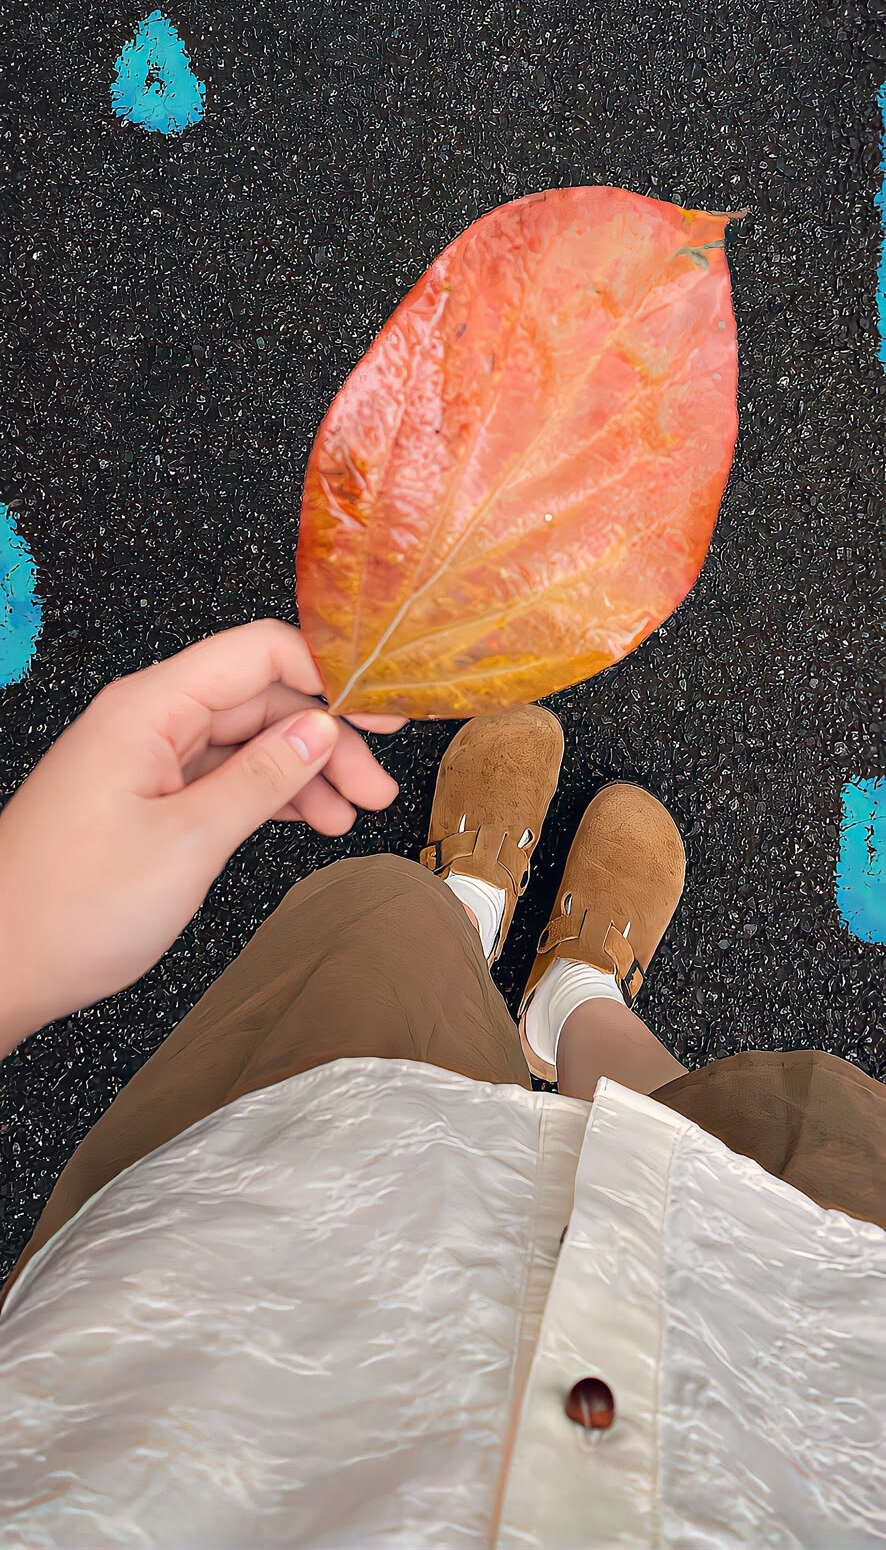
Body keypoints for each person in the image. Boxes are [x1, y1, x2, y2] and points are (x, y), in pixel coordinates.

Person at [0, 619, 883, 1548]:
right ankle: (573, 999)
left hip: (223, 1366)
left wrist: (18, 939)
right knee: (759, 1147)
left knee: (370, 982)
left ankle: (463, 920)